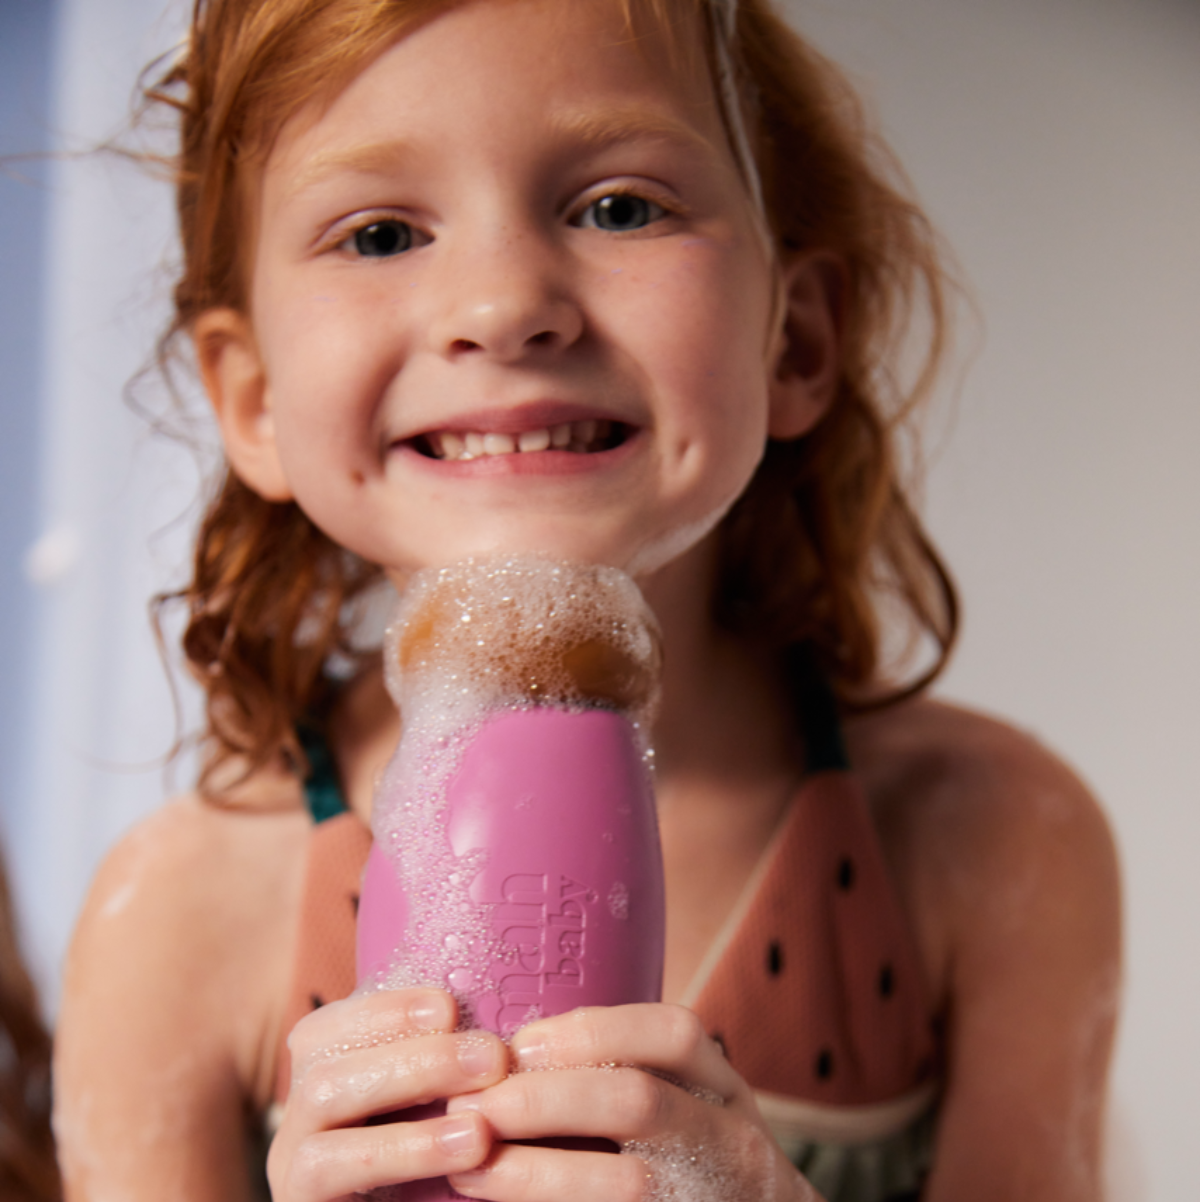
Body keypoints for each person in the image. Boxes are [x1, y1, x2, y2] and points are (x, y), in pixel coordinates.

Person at [51, 0, 1121, 1199]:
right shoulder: (179, 914)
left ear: (796, 341)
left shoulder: (990, 834)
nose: (505, 303)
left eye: (619, 207)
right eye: (380, 234)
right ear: (251, 400)